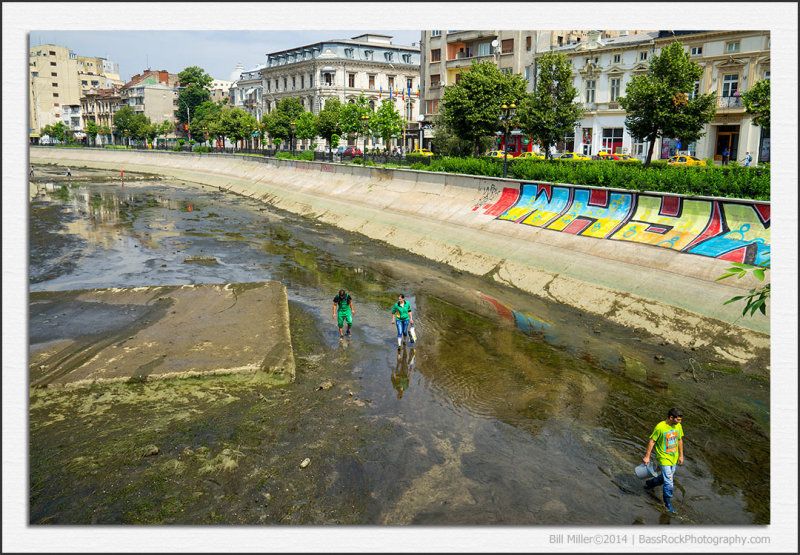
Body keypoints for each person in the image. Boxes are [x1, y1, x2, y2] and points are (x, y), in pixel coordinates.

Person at [642, 407, 685, 514]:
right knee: (669, 482)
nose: (680, 422)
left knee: (664, 478)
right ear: (671, 417)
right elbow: (652, 441)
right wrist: (647, 456)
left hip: (674, 457)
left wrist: (681, 455)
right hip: (663, 457)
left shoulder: (678, 426)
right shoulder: (660, 427)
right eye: (678, 419)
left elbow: (680, 439)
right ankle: (667, 504)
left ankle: (650, 483)